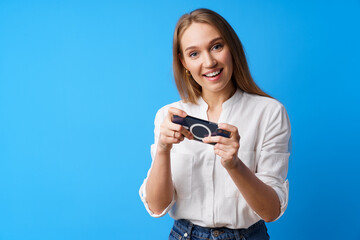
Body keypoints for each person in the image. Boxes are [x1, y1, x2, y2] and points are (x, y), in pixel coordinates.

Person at [139, 8, 291, 240]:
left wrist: (234, 165)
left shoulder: (269, 112)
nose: (209, 62)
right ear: (183, 62)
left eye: (216, 46)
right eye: (194, 54)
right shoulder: (168, 116)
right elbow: (157, 207)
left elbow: (270, 212)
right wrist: (162, 150)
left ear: (232, 48)